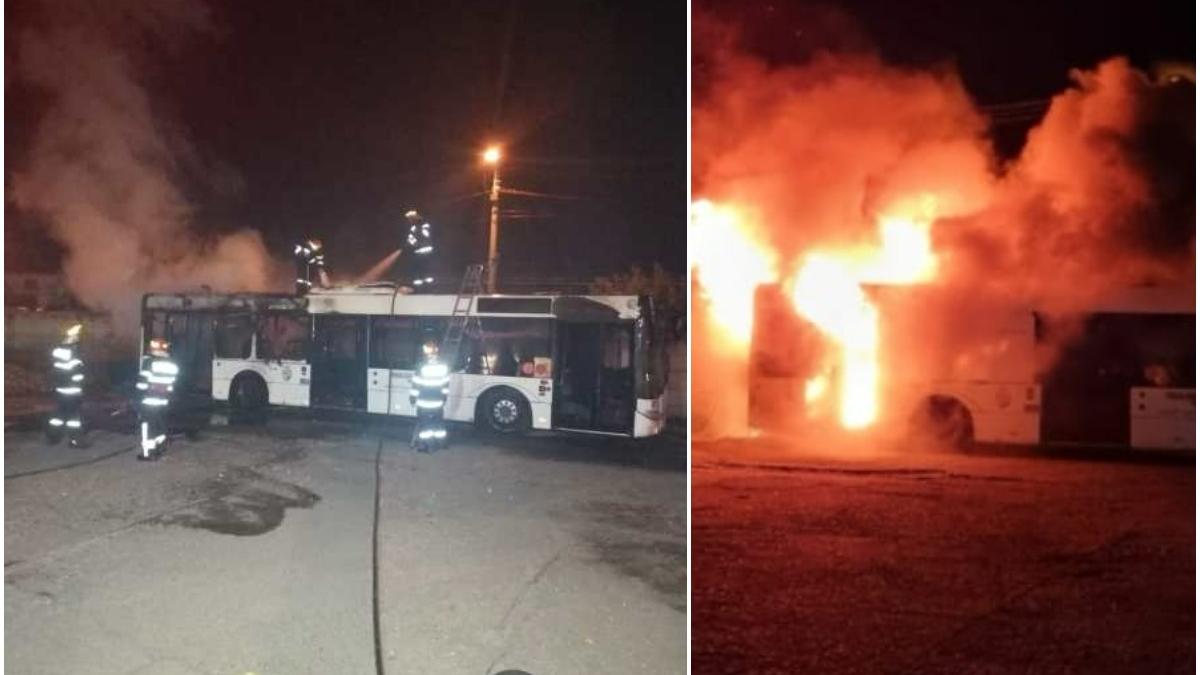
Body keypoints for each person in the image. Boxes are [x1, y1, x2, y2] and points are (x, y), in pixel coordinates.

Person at [136, 338, 178, 461]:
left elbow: (142, 383)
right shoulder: (172, 364)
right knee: (160, 424)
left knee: (148, 426)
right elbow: (171, 385)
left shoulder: (149, 362)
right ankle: (160, 446)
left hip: (149, 400)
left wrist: (138, 393)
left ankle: (148, 453)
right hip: (164, 400)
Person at [47, 323, 88, 448]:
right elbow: (78, 376)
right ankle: (75, 440)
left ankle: (53, 437)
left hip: (60, 391)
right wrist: (83, 384)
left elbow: (56, 372)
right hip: (73, 392)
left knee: (58, 415)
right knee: (74, 418)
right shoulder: (74, 357)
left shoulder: (57, 354)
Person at [410, 340, 449, 452]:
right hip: (438, 402)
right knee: (438, 424)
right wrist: (444, 397)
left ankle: (427, 446)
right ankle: (441, 443)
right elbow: (446, 384)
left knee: (425, 425)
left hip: (424, 402)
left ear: (426, 352)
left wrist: (412, 398)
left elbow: (416, 385)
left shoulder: (421, 366)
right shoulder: (443, 366)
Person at [401, 210, 436, 291]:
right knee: (421, 269)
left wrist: (413, 242)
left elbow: (425, 236)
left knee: (423, 268)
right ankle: (422, 286)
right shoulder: (414, 228)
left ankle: (426, 286)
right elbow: (411, 238)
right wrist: (410, 242)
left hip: (424, 251)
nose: (409, 220)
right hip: (421, 251)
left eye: (410, 219)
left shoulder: (423, 226)